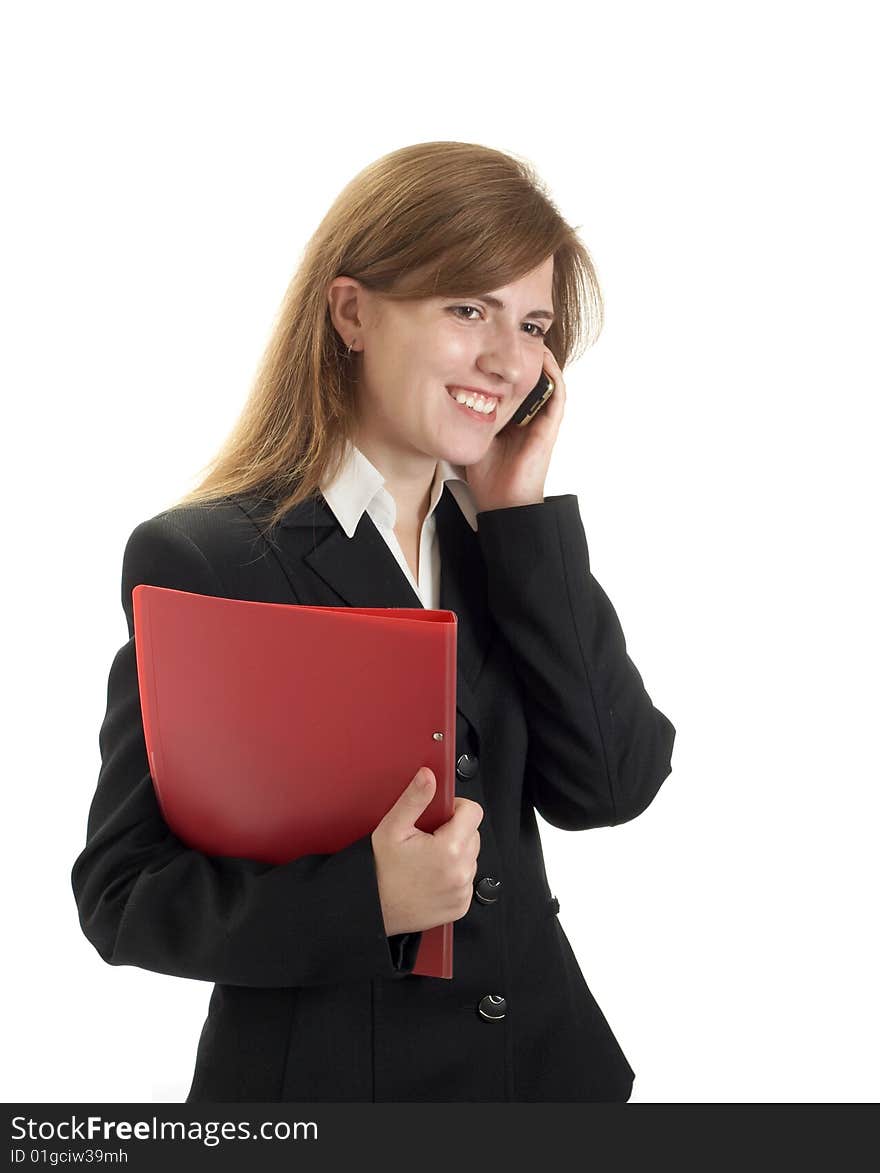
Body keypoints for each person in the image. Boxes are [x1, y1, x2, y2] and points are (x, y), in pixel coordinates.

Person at [70, 140, 676, 1103]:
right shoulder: (210, 560)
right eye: (467, 308)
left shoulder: (499, 550)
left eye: (533, 322)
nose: (506, 358)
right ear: (352, 311)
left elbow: (611, 783)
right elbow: (124, 893)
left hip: (552, 1084)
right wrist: (370, 899)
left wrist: (523, 514)